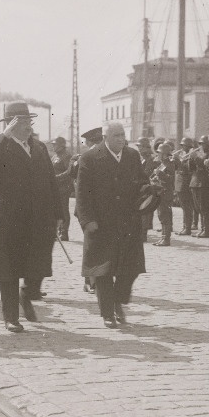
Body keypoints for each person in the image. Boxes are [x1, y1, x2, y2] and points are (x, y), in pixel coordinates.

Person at [0, 101, 63, 333]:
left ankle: (28, 293)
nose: (27, 127)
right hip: (9, 218)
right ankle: (11, 316)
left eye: (29, 121)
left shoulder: (40, 147)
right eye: (21, 122)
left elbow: (51, 181)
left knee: (38, 263)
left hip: (39, 217)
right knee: (10, 268)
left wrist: (59, 213)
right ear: (10, 124)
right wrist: (3, 137)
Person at [76, 121, 149, 328]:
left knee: (130, 269)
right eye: (116, 135)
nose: (121, 139)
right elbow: (82, 192)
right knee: (103, 271)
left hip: (128, 223)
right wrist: (87, 220)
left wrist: (149, 190)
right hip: (101, 224)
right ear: (105, 138)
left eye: (122, 135)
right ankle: (108, 313)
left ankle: (118, 301)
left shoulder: (132, 156)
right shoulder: (89, 157)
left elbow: (141, 182)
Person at [71, 127, 104, 293]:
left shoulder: (101, 157)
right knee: (91, 246)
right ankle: (89, 282)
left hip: (100, 209)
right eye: (96, 143)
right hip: (86, 210)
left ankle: (96, 281)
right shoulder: (84, 158)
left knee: (96, 246)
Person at [188, 135, 209, 238]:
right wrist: (191, 158)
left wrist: (196, 157)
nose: (201, 146)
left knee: (204, 207)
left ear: (208, 144)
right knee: (198, 207)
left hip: (204, 183)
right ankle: (203, 229)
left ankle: (206, 230)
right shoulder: (199, 154)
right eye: (200, 144)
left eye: (202, 143)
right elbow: (192, 168)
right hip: (195, 182)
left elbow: (204, 165)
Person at [151, 140, 176, 246]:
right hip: (161, 192)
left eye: (160, 153)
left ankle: (166, 239)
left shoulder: (169, 165)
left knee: (164, 216)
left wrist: (160, 174)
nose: (158, 154)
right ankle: (163, 237)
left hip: (166, 193)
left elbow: (170, 180)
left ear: (165, 154)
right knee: (161, 215)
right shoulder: (162, 164)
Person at [51, 136, 74, 241]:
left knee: (63, 209)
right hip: (55, 187)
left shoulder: (66, 156)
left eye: (55, 144)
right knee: (55, 209)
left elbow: (69, 172)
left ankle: (64, 233)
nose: (53, 146)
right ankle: (57, 231)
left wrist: (55, 178)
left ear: (61, 145)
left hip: (64, 187)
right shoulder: (55, 156)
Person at [173, 137, 195, 235]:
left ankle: (188, 228)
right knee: (184, 206)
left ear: (189, 146)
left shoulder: (191, 156)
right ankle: (185, 226)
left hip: (185, 183)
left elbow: (188, 168)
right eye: (182, 145)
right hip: (179, 183)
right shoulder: (183, 155)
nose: (182, 148)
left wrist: (179, 161)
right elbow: (176, 168)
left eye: (184, 146)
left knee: (187, 207)